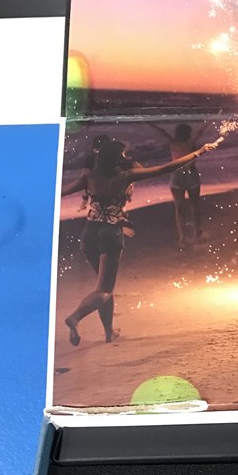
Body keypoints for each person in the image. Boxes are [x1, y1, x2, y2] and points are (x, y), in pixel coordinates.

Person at [60, 138, 219, 346]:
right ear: (116, 157)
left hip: (89, 233)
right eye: (123, 154)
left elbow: (61, 191)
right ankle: (75, 317)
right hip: (110, 233)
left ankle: (109, 333)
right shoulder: (125, 176)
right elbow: (166, 168)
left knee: (104, 287)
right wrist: (199, 152)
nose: (125, 157)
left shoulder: (90, 176)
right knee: (104, 289)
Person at [148, 121, 213, 248]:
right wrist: (211, 119)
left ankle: (182, 237)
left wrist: (148, 122)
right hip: (191, 175)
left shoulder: (173, 143)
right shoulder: (190, 143)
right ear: (188, 133)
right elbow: (200, 131)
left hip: (176, 176)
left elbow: (161, 131)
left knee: (179, 208)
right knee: (195, 205)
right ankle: (197, 233)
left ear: (176, 133)